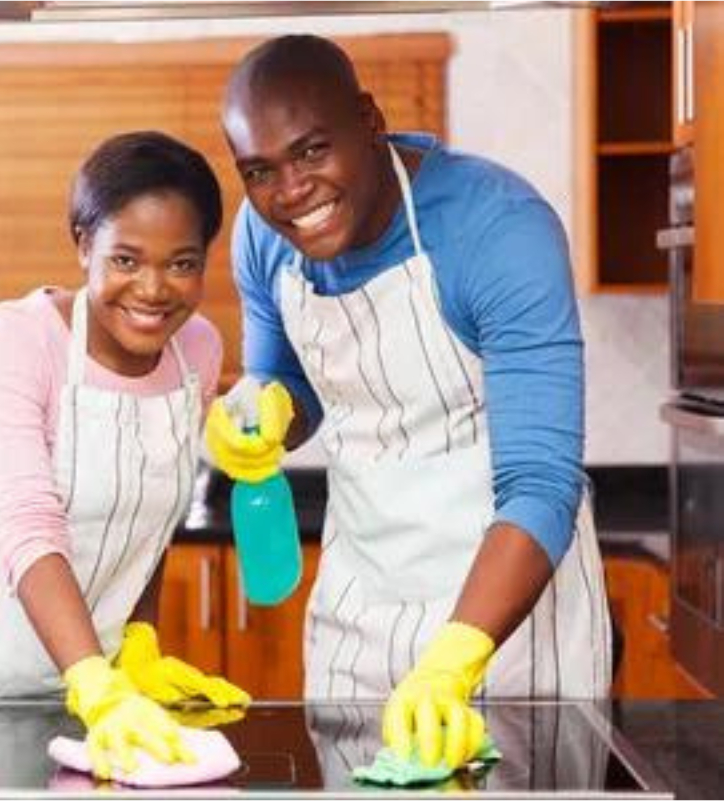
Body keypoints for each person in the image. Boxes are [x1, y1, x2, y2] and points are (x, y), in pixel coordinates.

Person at [206, 34, 611, 771]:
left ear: (370, 120)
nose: (290, 192)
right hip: (357, 615)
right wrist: (265, 415)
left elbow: (541, 482)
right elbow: (287, 382)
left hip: (508, 630)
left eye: (311, 151)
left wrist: (452, 662)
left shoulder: (497, 228)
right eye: (259, 170)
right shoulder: (262, 240)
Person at [0, 130, 250, 779]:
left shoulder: (197, 347)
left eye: (181, 263)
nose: (153, 289)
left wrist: (138, 644)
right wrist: (95, 682)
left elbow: (149, 519)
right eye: (126, 259)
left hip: (80, 676)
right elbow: (27, 518)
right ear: (83, 244)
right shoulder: (13, 337)